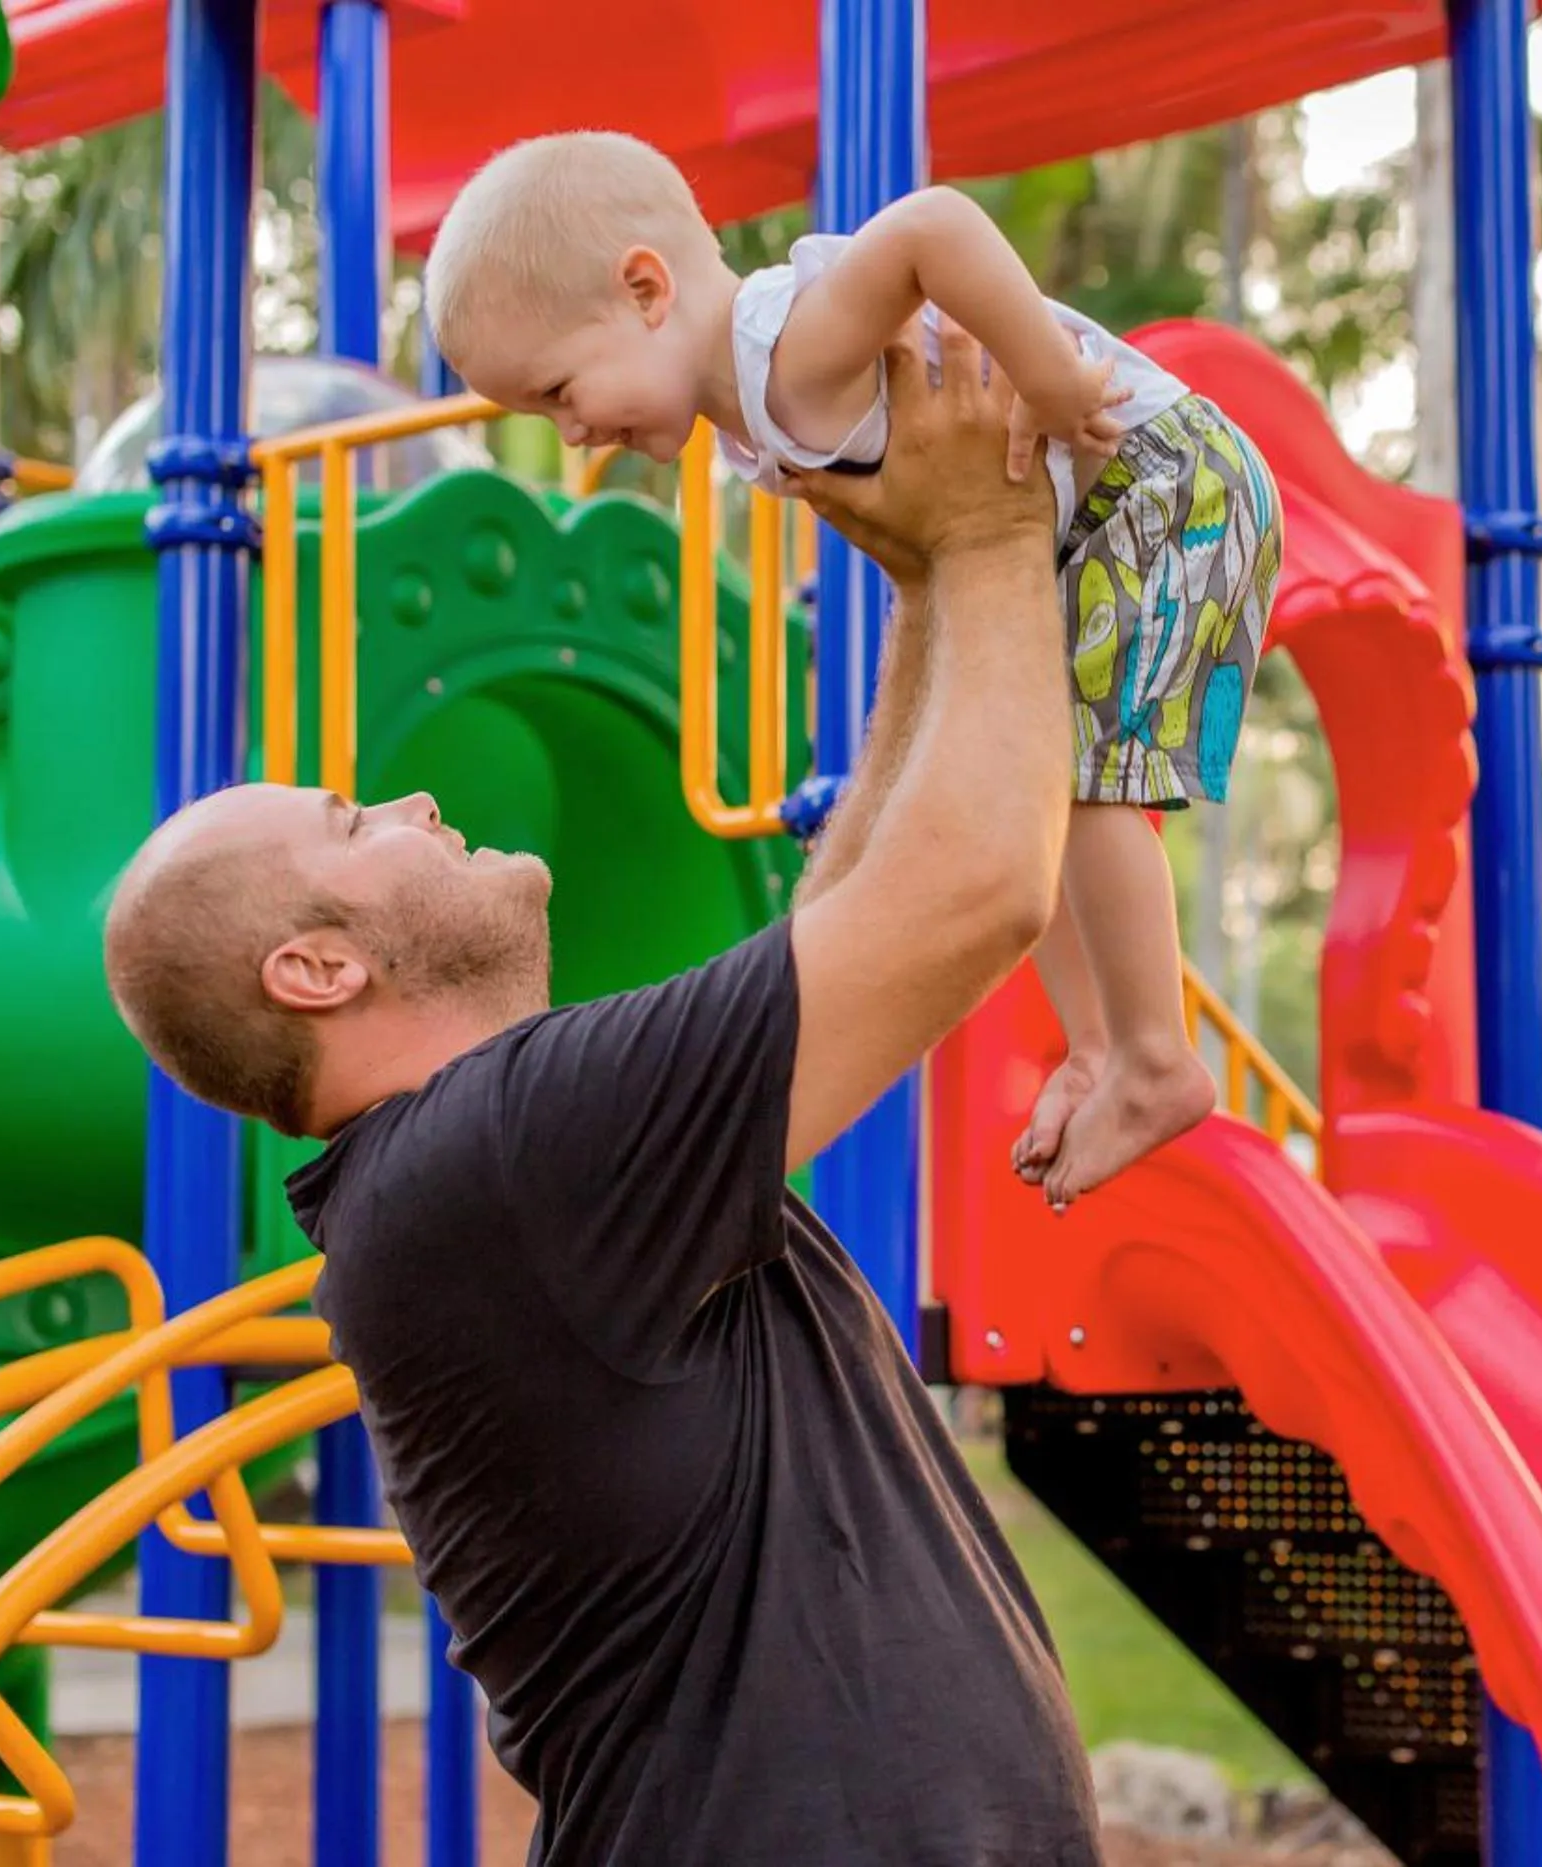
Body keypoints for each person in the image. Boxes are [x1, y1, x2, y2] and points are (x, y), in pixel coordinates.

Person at [102, 324, 1105, 1866]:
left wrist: (919, 602)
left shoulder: (497, 1171)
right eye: (357, 817)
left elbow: (847, 907)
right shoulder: (495, 1161)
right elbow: (975, 890)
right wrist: (990, 532)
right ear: (314, 970)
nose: (418, 801)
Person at [422, 128, 1282, 1208]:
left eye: (559, 390)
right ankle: (1100, 1048)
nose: (576, 433)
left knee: (1088, 782)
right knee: (1040, 792)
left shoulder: (786, 351)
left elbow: (934, 226)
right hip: (1088, 523)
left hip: (1164, 485)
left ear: (645, 288)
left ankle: (1157, 1054)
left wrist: (1053, 381)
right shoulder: (753, 418)